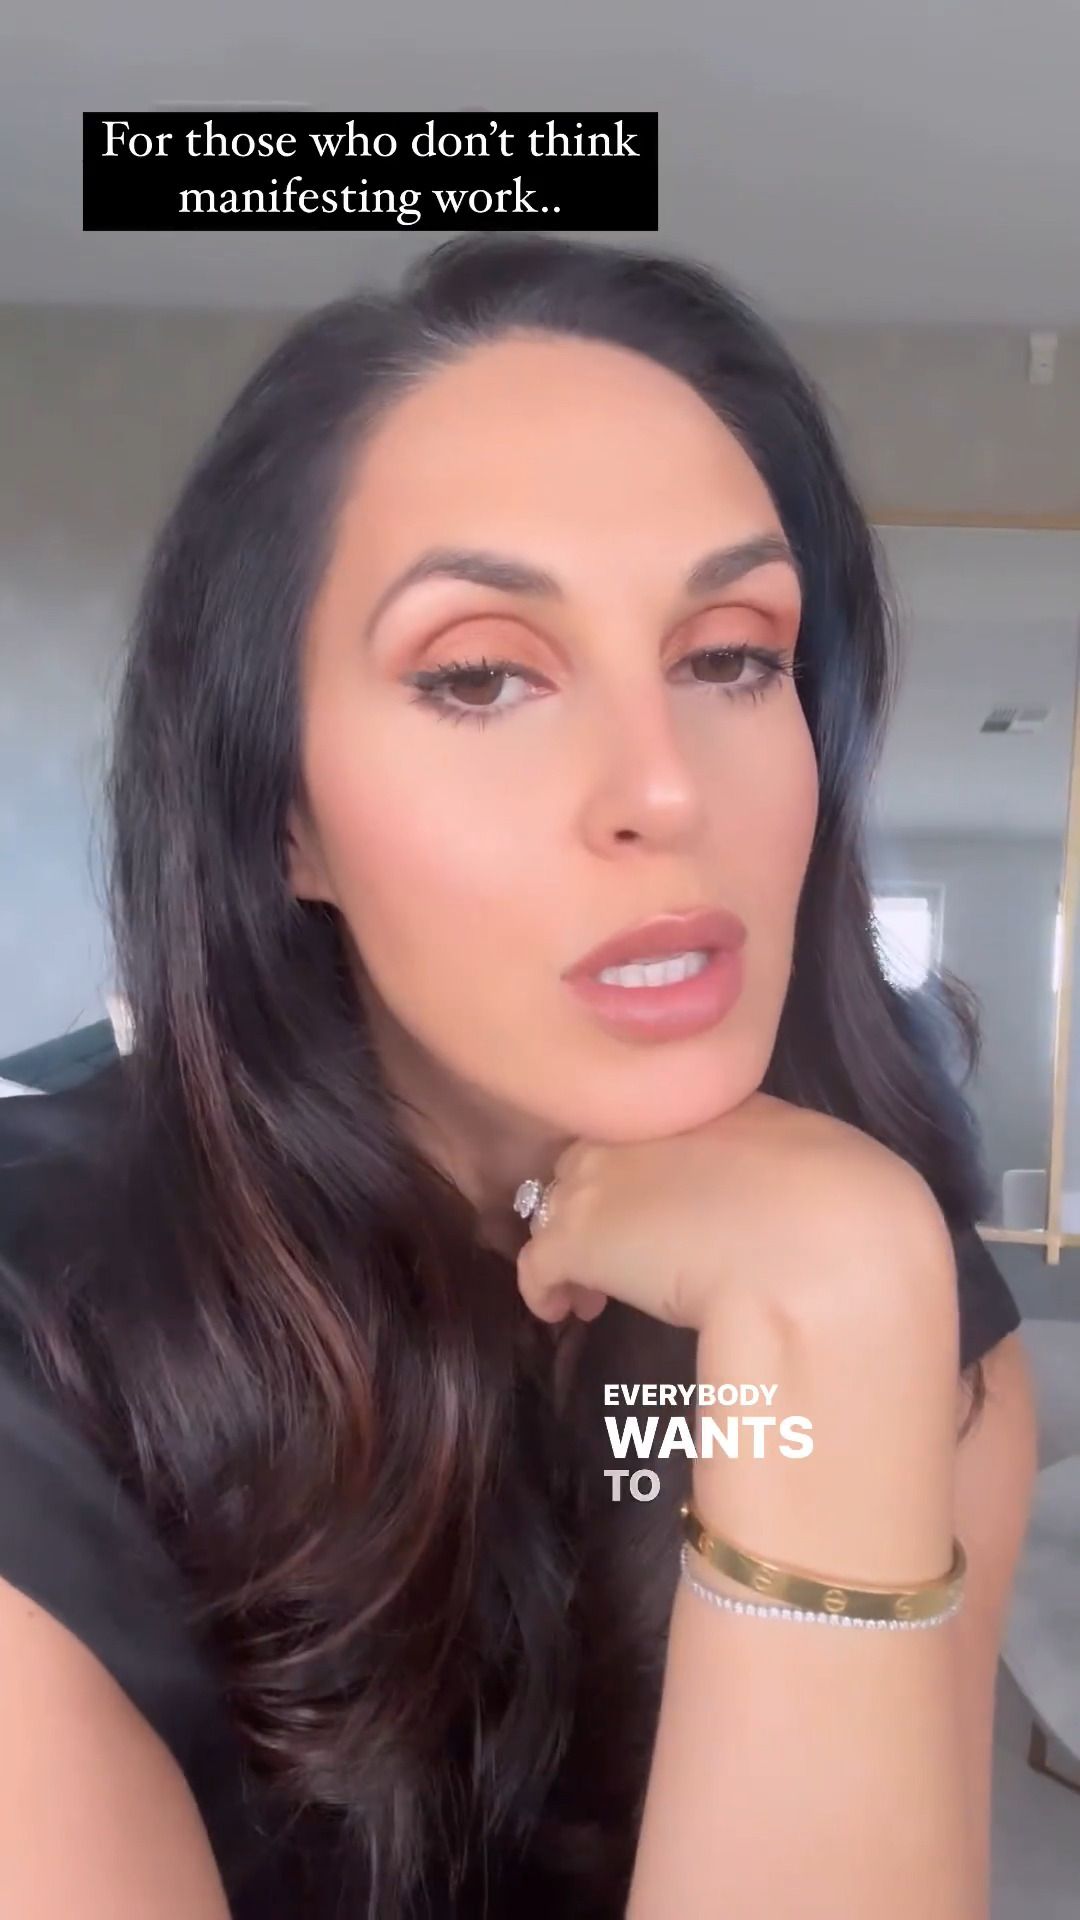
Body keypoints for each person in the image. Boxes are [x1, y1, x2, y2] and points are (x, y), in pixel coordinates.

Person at [0, 234, 1036, 1919]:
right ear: (282, 818)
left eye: (731, 657)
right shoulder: (33, 1346)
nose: (664, 789)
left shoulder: (899, 1307)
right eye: (481, 676)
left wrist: (833, 1323)